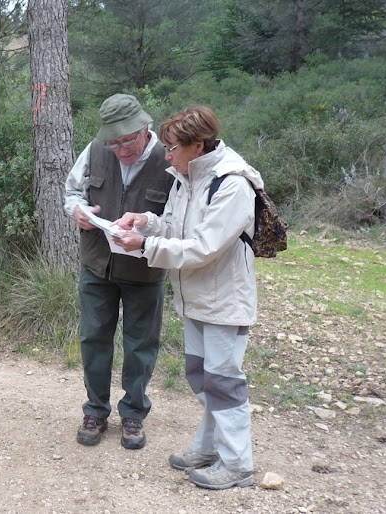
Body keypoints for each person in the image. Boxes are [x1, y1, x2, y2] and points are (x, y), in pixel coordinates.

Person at [112, 106, 259, 490]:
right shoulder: (186, 175)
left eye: (173, 147)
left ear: (197, 145)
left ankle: (238, 465)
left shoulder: (232, 183)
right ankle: (209, 449)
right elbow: (177, 228)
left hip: (225, 299)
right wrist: (146, 221)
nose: (166, 155)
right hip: (194, 297)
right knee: (201, 376)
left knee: (224, 381)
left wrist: (144, 244)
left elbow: (202, 247)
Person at [64, 94, 174, 450]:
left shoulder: (169, 160)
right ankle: (95, 410)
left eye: (127, 141)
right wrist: (78, 211)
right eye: (114, 143)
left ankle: (134, 414)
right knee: (93, 339)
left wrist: (147, 228)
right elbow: (72, 193)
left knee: (141, 344)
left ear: (146, 129)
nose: (120, 150)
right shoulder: (95, 149)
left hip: (146, 268)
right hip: (97, 264)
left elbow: (179, 220)